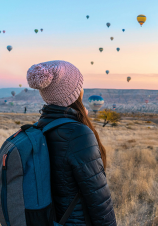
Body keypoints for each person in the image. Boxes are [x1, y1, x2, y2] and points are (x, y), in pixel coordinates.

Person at [27, 60, 117, 226]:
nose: (82, 90)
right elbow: (99, 198)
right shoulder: (78, 134)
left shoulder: (41, 126)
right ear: (75, 93)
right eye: (80, 86)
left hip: (52, 220)